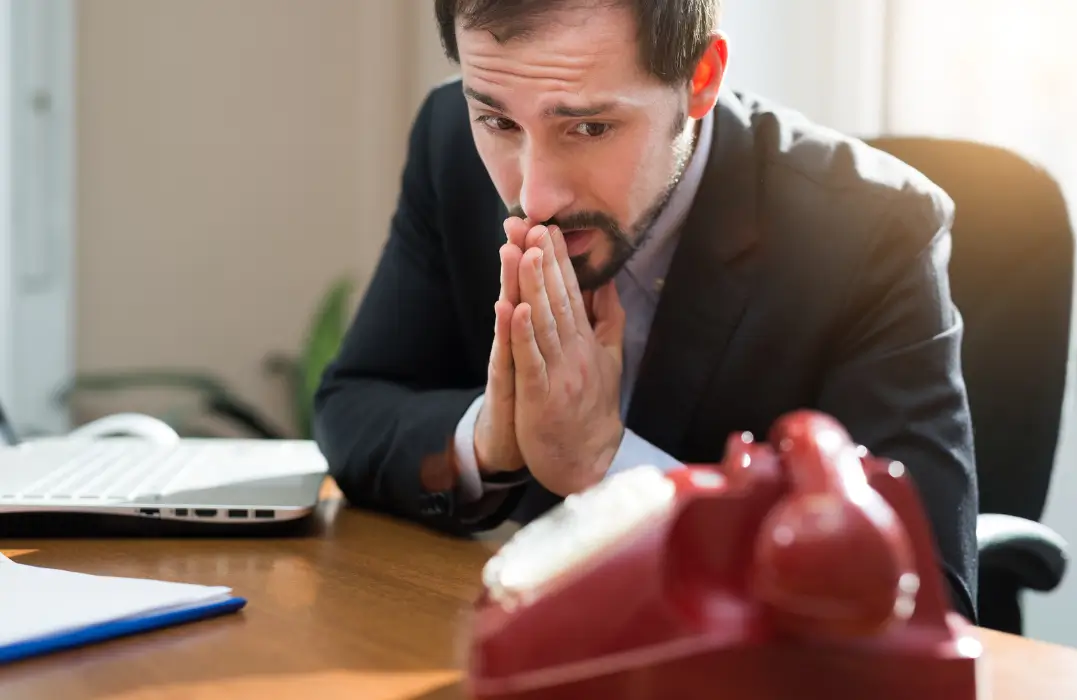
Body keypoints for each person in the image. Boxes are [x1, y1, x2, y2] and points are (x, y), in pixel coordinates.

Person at [313, 0, 978, 620]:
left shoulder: (875, 229)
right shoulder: (447, 141)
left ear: (702, 79)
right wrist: (491, 440)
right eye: (498, 121)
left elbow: (923, 593)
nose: (535, 195)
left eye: (590, 126)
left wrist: (608, 463)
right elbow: (354, 404)